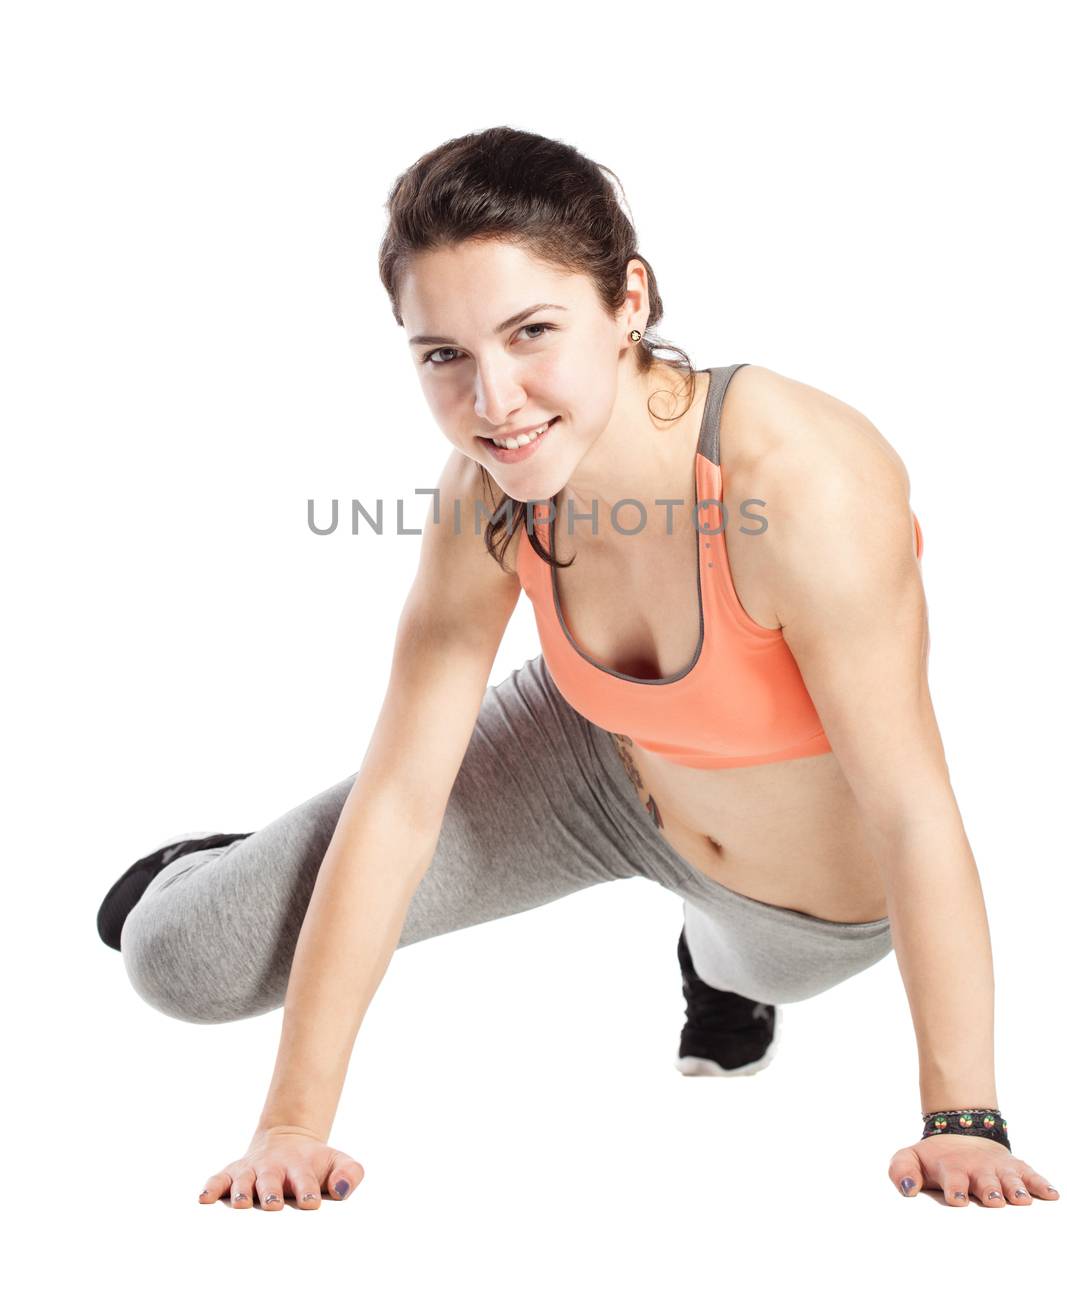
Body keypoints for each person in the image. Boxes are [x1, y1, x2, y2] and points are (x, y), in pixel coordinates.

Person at [97, 126, 1057, 1214]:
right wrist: (290, 1127)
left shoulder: (799, 484)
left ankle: (711, 973)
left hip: (792, 903)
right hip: (588, 763)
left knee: (760, 969)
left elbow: (912, 812)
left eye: (531, 331)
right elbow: (404, 795)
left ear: (627, 301)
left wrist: (962, 1117)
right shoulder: (487, 492)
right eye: (442, 354)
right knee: (178, 962)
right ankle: (226, 864)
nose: (493, 402)